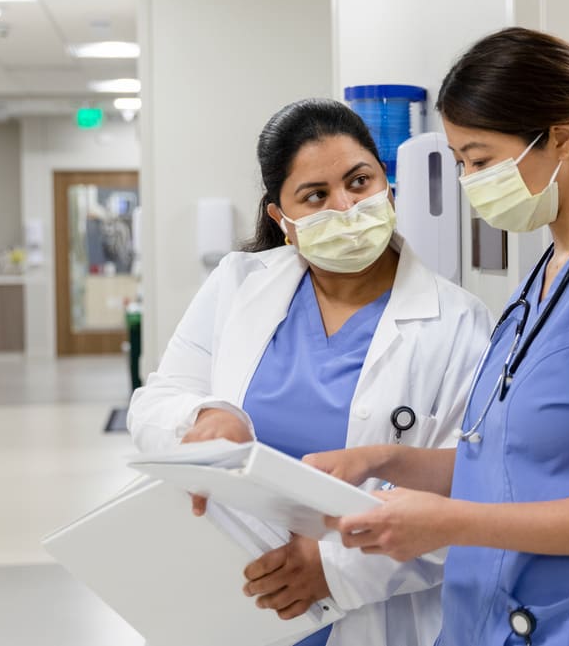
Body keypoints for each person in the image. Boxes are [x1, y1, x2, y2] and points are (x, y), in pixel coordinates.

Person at [306, 27, 569, 646]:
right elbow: (512, 463)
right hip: (481, 624)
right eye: (461, 162)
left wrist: (451, 523)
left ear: (561, 138)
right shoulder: (552, 266)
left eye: (481, 159)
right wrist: (383, 460)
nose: (468, 181)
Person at [127, 98, 491, 646]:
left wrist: (333, 568)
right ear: (282, 218)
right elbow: (157, 402)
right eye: (315, 196)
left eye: (360, 181)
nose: (345, 207)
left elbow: (472, 490)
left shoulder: (460, 322)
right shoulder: (238, 283)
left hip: (374, 615)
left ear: (388, 185)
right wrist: (206, 417)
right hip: (236, 602)